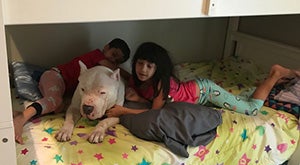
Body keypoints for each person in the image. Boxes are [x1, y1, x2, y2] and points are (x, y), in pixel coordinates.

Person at [106, 41, 300, 118]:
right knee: (239, 101)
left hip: (205, 91)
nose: (143, 70)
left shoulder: (160, 83)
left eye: (149, 66)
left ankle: (275, 74)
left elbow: (155, 112)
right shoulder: (139, 79)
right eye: (140, 64)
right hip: (196, 94)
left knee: (251, 109)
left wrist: (123, 110)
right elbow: (127, 76)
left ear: (158, 68)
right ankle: (257, 87)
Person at [14, 38, 130, 144]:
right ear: (106, 47)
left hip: (65, 88)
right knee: (55, 100)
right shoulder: (97, 55)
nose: (112, 59)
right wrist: (130, 77)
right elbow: (113, 67)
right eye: (114, 54)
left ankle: (27, 110)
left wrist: (102, 127)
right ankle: (22, 117)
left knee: (60, 107)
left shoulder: (106, 76)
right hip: (55, 76)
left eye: (117, 60)